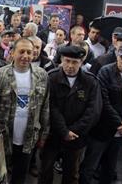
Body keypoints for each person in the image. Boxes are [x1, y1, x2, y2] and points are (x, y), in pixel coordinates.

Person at [38, 45, 102, 184]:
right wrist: (64, 131)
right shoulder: (52, 78)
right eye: (67, 61)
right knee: (46, 170)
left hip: (76, 137)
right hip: (53, 134)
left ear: (82, 62)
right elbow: (50, 107)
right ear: (61, 59)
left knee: (72, 173)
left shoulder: (90, 81)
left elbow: (93, 112)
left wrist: (73, 131)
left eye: (75, 62)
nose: (70, 66)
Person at [80, 43, 122, 184]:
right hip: (103, 130)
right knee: (89, 166)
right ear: (117, 56)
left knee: (110, 168)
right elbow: (103, 101)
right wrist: (120, 123)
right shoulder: (106, 72)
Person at [0, 38, 49, 184]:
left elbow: (45, 106)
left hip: (28, 136)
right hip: (3, 136)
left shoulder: (42, 75)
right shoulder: (0, 75)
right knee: (0, 174)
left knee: (20, 175)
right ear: (12, 53)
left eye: (29, 52)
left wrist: (44, 134)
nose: (25, 56)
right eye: (21, 51)